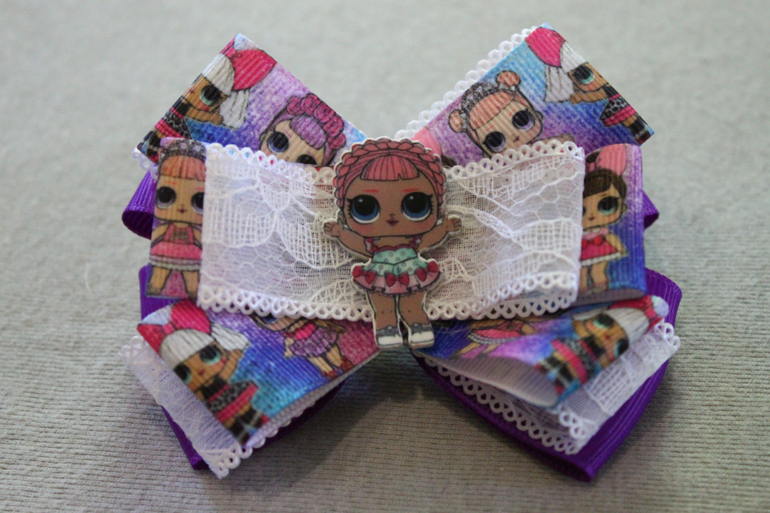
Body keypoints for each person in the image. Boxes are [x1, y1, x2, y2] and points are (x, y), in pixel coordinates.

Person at [324, 138, 462, 348]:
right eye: (365, 207)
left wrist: (444, 228)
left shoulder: (414, 240)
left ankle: (419, 326)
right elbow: (359, 245)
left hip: (411, 270)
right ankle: (386, 330)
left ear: (438, 205)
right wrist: (341, 233)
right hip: (379, 273)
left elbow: (428, 239)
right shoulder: (372, 244)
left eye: (415, 205)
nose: (391, 218)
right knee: (383, 308)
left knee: (412, 305)